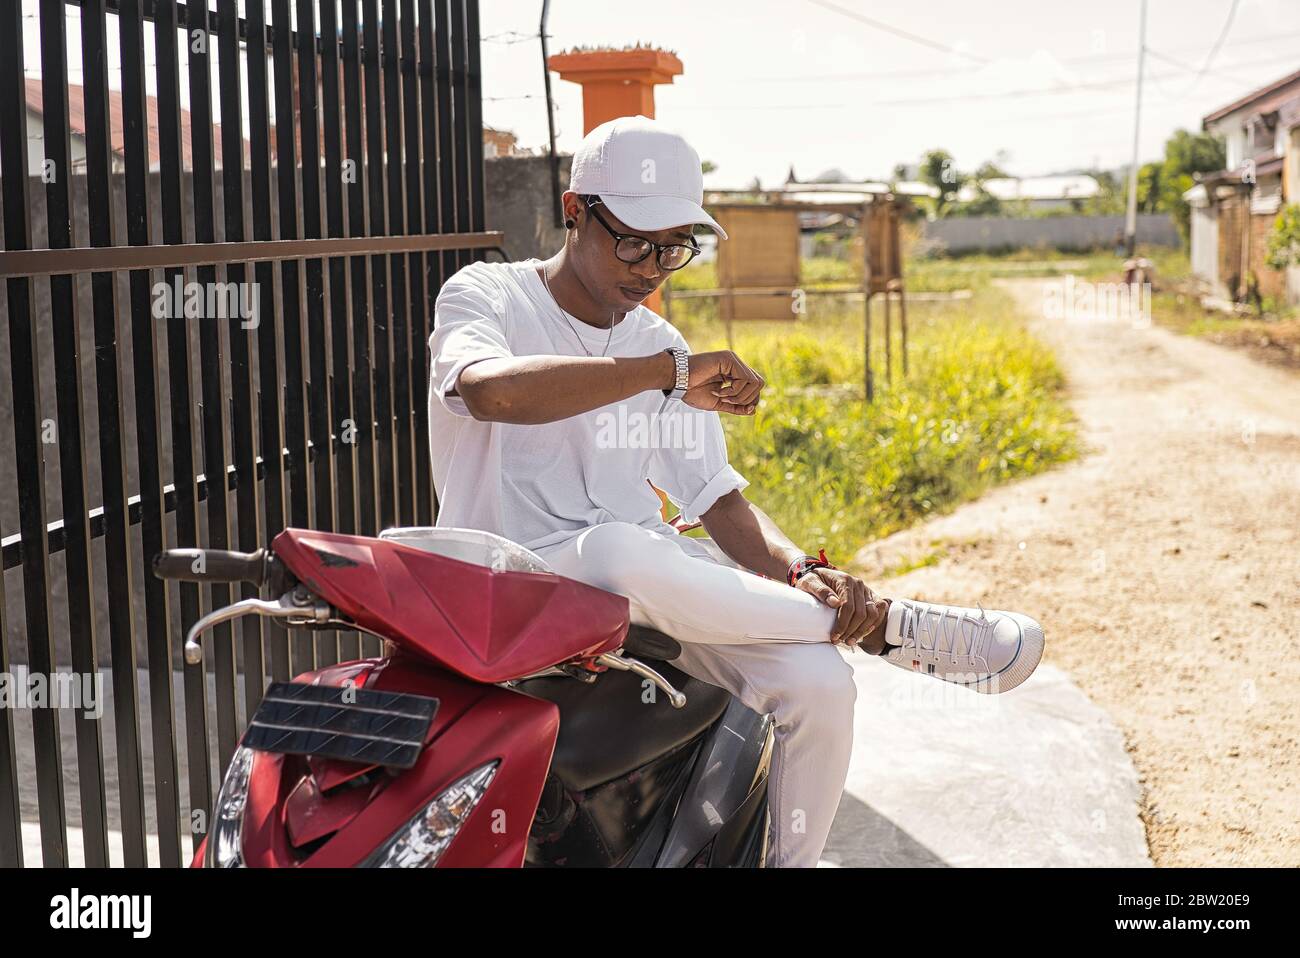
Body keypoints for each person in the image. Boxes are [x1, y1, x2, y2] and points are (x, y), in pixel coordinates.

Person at [427, 115, 1044, 867]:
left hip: (641, 605)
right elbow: (489, 394)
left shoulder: (659, 343)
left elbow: (716, 497)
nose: (652, 267)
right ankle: (885, 627)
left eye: (673, 247)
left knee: (820, 684)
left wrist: (796, 571)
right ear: (572, 211)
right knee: (620, 549)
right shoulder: (487, 296)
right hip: (512, 590)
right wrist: (667, 375)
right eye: (633, 241)